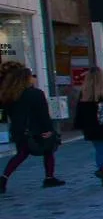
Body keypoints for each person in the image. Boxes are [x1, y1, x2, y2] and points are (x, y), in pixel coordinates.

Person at [0, 61, 64, 192]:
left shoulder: (10, 95)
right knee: (48, 150)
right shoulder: (35, 93)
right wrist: (49, 129)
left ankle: (4, 178)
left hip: (19, 129)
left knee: (21, 154)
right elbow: (43, 113)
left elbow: (6, 114)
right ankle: (49, 177)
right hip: (36, 128)